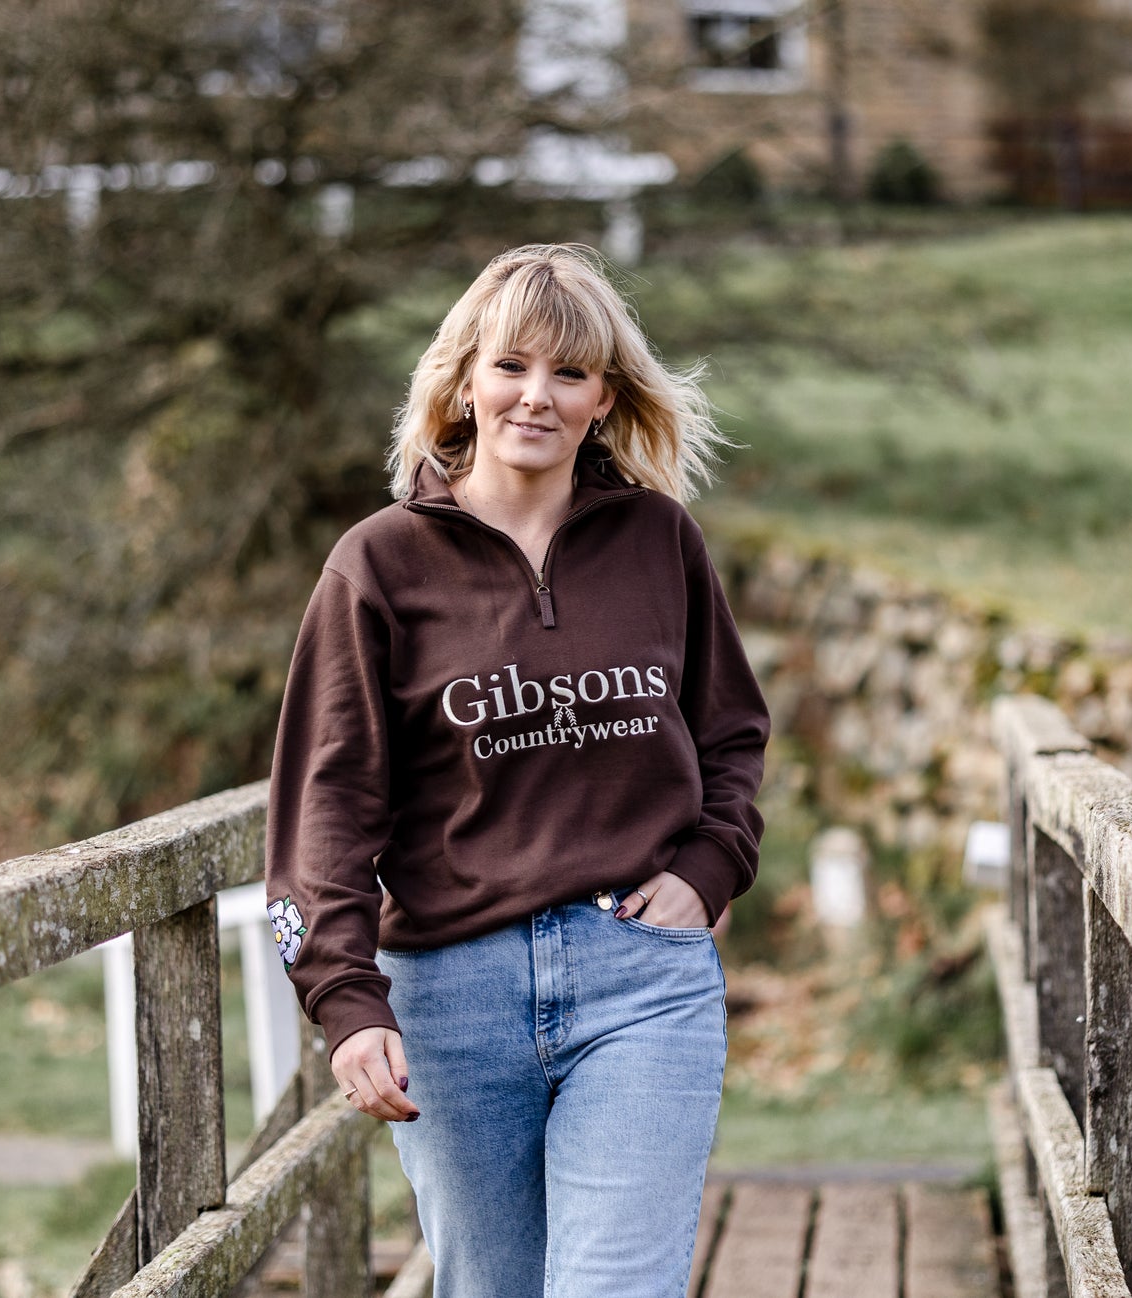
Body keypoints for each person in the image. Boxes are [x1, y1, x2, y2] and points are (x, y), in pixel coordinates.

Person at [262, 243, 769, 1298]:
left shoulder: (656, 540)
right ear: (461, 382)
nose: (535, 395)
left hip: (640, 975)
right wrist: (345, 997)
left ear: (602, 399)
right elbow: (326, 800)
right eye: (510, 365)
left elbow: (729, 732)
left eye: (568, 374)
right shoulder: (379, 563)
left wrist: (710, 866)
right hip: (450, 991)